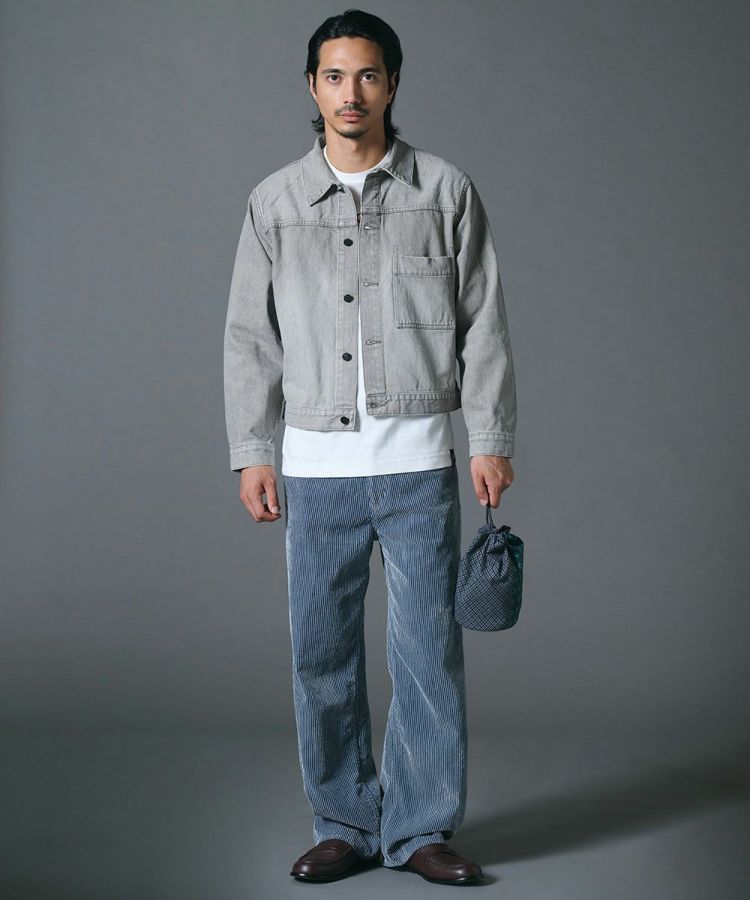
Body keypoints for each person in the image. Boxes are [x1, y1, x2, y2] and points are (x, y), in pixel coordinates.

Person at [223, 8, 517, 887]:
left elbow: (484, 324)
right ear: (312, 88)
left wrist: (488, 436)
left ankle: (421, 829)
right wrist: (253, 450)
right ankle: (346, 824)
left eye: (368, 74)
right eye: (334, 76)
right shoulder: (275, 202)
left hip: (420, 464)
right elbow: (250, 337)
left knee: (429, 657)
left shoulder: (445, 191)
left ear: (392, 84)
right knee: (322, 658)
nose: (350, 92)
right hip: (317, 472)